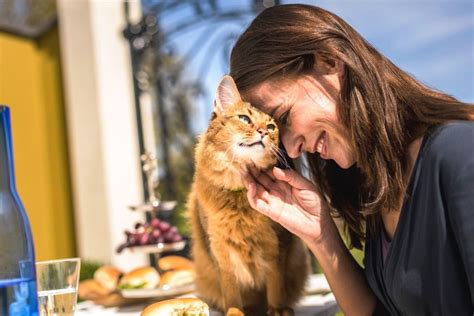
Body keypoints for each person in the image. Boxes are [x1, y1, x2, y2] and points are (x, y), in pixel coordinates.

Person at [231, 4, 474, 315]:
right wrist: (320, 236)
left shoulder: (459, 157)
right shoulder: (377, 183)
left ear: (330, 61)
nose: (291, 150)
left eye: (284, 117)